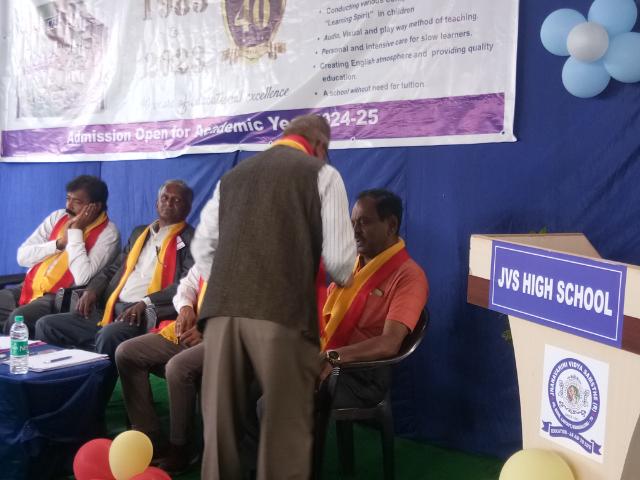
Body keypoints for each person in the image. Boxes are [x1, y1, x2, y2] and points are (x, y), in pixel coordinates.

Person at [193, 114, 356, 480]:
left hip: (220, 312)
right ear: (320, 146)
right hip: (284, 314)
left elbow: (203, 247)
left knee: (219, 435)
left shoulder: (232, 177)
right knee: (285, 437)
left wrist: (233, 283)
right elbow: (340, 263)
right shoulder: (322, 174)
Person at [35, 180, 194, 360]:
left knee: (108, 335)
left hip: (140, 315)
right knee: (47, 325)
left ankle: (97, 379)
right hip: (109, 307)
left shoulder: (191, 240)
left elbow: (184, 285)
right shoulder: (140, 233)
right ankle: (58, 375)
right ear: (156, 203)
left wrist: (145, 302)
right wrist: (92, 290)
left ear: (188, 208)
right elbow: (113, 269)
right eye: (164, 198)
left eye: (176, 200)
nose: (168, 203)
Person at [318, 189, 429, 408]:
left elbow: (390, 343)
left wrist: (333, 356)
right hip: (328, 359)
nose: (354, 232)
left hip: (361, 377)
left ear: (391, 225)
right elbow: (324, 313)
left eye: (364, 222)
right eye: (352, 223)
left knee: (279, 399)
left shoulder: (409, 276)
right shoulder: (352, 265)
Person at [0, 175, 120, 337]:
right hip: (30, 285)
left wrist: (76, 232)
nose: (69, 206)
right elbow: (22, 257)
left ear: (96, 206)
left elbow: (82, 277)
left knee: (18, 318)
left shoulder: (108, 233)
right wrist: (59, 244)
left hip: (58, 296)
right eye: (68, 199)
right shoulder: (58, 217)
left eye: (77, 202)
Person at [115, 264, 205, 474]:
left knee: (178, 367)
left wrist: (208, 327)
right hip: (190, 330)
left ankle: (181, 447)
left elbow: (248, 311)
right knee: (126, 353)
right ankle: (151, 439)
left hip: (223, 336)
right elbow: (187, 285)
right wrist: (185, 307)